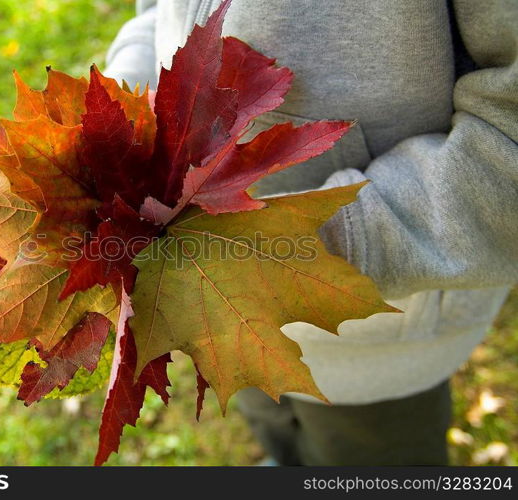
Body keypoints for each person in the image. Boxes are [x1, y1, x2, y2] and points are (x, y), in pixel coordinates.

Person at [103, 0, 518, 465]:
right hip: (223, 317)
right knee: (273, 424)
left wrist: (308, 245)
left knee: (365, 455)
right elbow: (159, 11)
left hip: (380, 342)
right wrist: (122, 97)